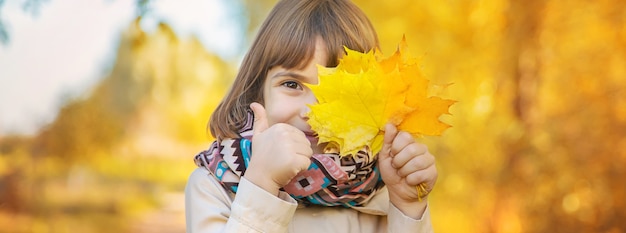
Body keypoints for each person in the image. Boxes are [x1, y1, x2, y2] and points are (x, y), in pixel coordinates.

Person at [185, 0, 437, 232]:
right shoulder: (213, 186)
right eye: (292, 85)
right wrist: (261, 185)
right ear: (258, 91)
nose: (310, 113)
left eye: (336, 93)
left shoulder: (382, 190)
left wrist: (407, 209)